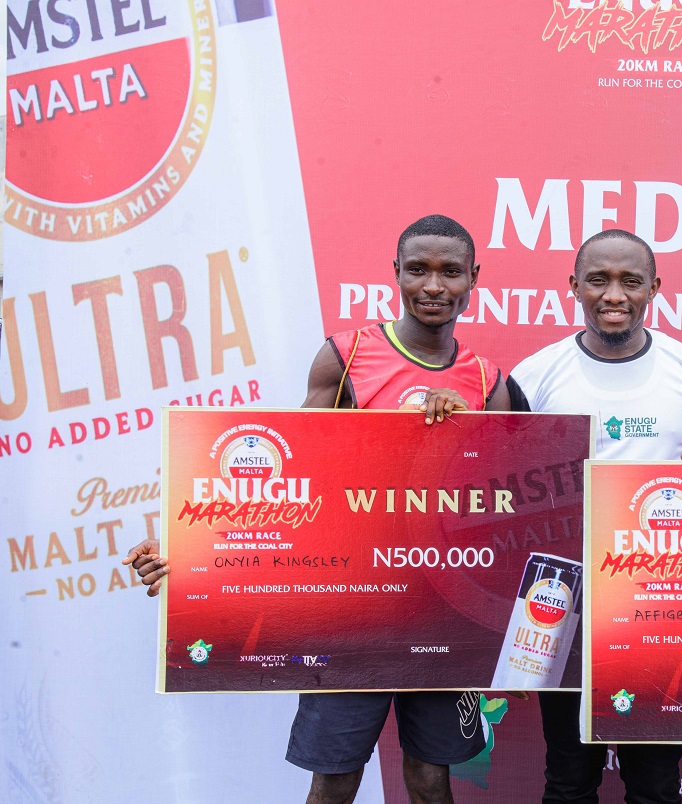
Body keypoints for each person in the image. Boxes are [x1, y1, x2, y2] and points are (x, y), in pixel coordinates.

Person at [124, 214, 511, 804]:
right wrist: (186, 549)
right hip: (348, 609)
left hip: (438, 611)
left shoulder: (488, 382)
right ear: (397, 275)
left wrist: (462, 426)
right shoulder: (346, 355)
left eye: (450, 271)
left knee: (432, 782)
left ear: (473, 279)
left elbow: (504, 506)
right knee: (333, 780)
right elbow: (284, 477)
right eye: (418, 270)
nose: (434, 285)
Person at [506, 229, 682, 804]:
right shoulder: (533, 376)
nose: (614, 294)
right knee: (569, 779)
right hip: (567, 607)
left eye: (631, 280)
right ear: (573, 285)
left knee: (654, 785)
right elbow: (507, 498)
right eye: (598, 279)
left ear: (655, 287)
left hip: (660, 606)